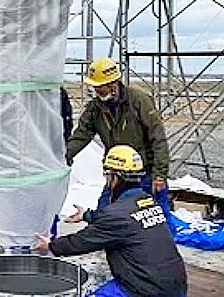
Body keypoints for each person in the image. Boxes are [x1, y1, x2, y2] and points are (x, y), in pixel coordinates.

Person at [34, 145, 190, 297]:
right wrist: (88, 215)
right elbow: (120, 219)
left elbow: (81, 242)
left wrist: (51, 246)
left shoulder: (116, 215)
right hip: (178, 293)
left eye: (108, 175)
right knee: (138, 285)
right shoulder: (148, 202)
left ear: (115, 177)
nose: (107, 180)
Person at [66, 57, 170, 214]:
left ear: (112, 84)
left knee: (156, 218)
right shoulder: (95, 109)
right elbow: (81, 135)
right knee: (104, 215)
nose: (96, 90)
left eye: (99, 86)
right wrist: (63, 158)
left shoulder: (139, 101)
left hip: (145, 174)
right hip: (117, 175)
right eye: (95, 86)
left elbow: (158, 139)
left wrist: (160, 175)